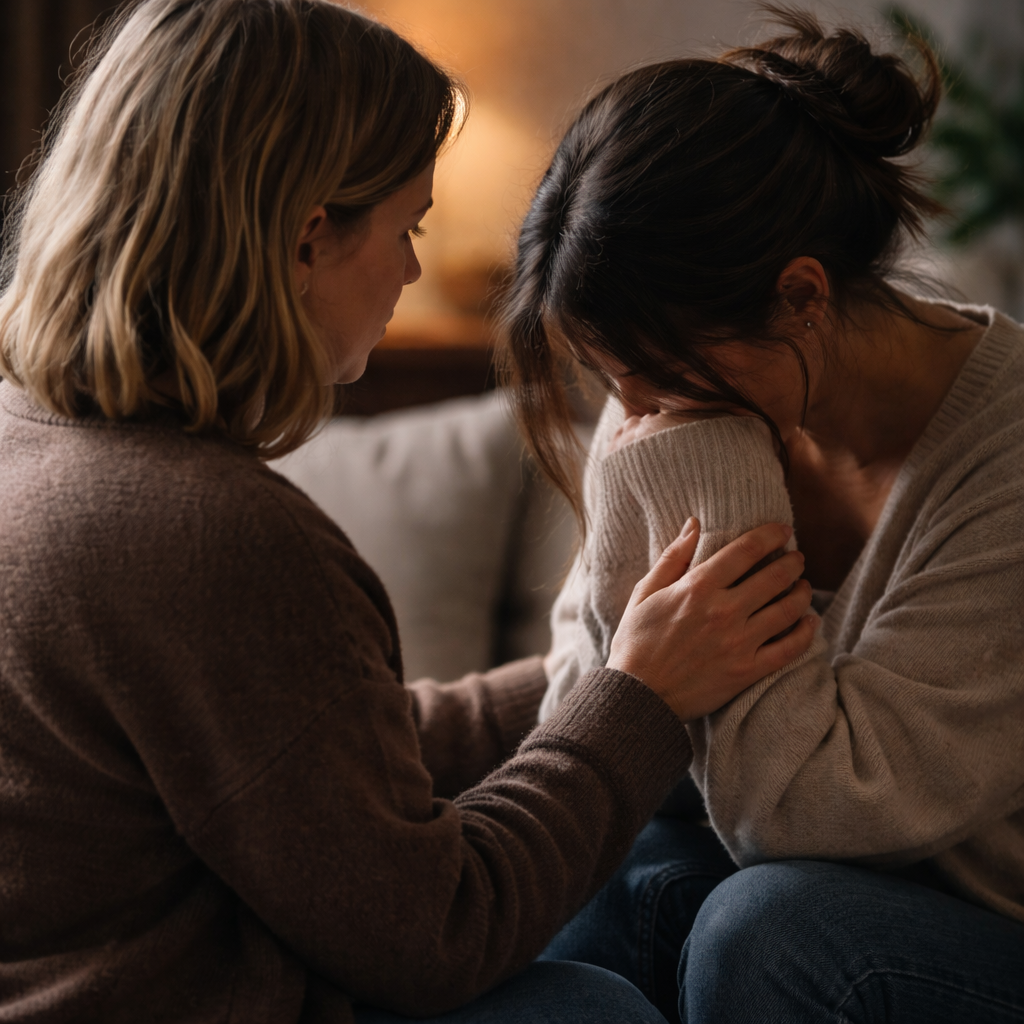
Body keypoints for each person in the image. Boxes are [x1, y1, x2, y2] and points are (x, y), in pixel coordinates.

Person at [0, 1, 818, 1021]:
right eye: (407, 226)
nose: (414, 270)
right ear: (308, 239)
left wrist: (610, 665)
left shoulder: (28, 440)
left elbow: (304, 753)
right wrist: (640, 703)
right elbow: (439, 931)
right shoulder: (205, 533)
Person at [501, 9, 1024, 1024]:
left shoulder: (1004, 456)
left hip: (980, 919)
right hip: (790, 869)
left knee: (765, 923)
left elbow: (811, 813)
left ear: (800, 296)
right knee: (607, 881)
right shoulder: (689, 391)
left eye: (654, 379)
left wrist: (720, 503)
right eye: (616, 381)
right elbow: (581, 721)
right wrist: (642, 673)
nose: (639, 418)